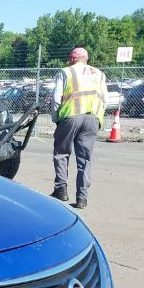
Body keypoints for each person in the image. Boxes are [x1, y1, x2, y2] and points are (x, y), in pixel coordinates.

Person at [49, 47, 107, 209]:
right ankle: (82, 197)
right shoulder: (99, 74)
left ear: (72, 58)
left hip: (70, 117)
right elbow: (105, 99)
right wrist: (98, 120)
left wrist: (56, 118)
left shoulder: (65, 72)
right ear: (86, 59)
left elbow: (56, 98)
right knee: (85, 159)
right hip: (92, 118)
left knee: (61, 153)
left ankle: (61, 189)